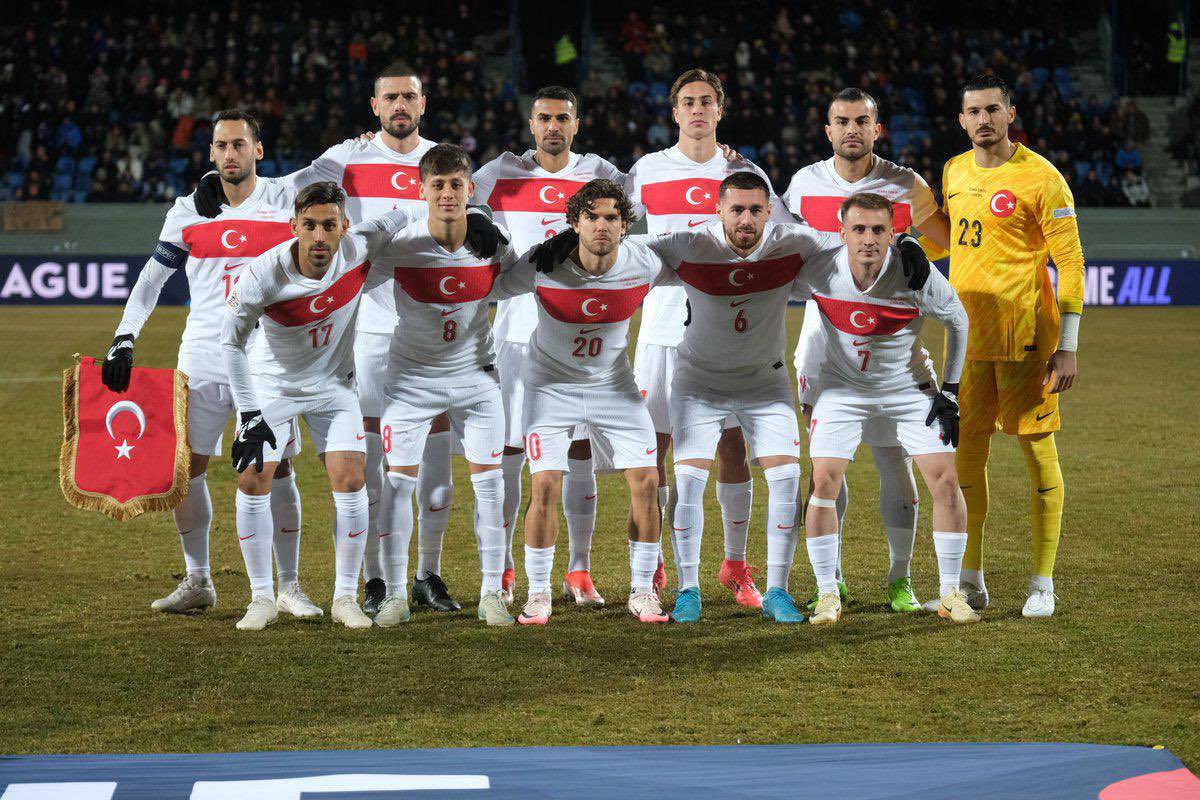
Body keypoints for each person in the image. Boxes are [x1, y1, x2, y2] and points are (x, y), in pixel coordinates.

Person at [194, 61, 458, 615]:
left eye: (410, 96)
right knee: (359, 469)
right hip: (359, 330)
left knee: (430, 455)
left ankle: (427, 571)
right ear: (375, 105)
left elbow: (447, 221)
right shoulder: (347, 157)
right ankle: (369, 584)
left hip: (427, 325)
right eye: (391, 97)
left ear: (424, 103)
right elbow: (288, 191)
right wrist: (218, 185)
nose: (401, 106)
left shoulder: (442, 163)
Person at [101, 110, 312, 620]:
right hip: (201, 355)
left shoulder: (287, 199)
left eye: (240, 144)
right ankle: (198, 580)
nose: (230, 154)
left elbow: (345, 170)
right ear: (211, 153)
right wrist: (124, 338)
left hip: (266, 358)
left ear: (258, 150)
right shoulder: (187, 211)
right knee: (186, 469)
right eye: (221, 146)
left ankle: (289, 585)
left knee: (274, 466)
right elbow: (152, 280)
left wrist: (367, 137)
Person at [624, 69, 792, 608]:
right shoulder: (647, 171)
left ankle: (735, 565)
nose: (698, 110)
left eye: (707, 102)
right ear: (674, 112)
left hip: (730, 332)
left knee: (732, 445)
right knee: (655, 450)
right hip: (662, 327)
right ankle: (650, 570)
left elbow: (778, 239)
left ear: (721, 110)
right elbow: (618, 238)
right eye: (688, 102)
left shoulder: (746, 174)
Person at [220, 183, 423, 630]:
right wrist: (250, 412)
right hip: (272, 387)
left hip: (333, 387)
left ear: (344, 227)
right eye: (308, 225)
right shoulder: (262, 273)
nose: (318, 236)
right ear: (293, 226)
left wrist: (479, 214)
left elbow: (410, 208)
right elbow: (231, 345)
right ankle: (262, 598)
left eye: (329, 225)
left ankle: (345, 598)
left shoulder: (360, 247)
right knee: (254, 481)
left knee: (352, 482)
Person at [780, 87, 953, 614]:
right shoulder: (804, 184)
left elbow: (945, 238)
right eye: (841, 120)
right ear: (826, 129)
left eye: (862, 120)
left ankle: (900, 580)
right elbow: (786, 247)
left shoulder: (906, 184)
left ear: (877, 128)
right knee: (826, 468)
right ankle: (831, 580)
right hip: (822, 342)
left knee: (893, 463)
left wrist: (912, 249)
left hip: (889, 344)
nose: (851, 129)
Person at [468, 86, 624, 606]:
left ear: (576, 124)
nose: (553, 126)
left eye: (562, 118)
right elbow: (457, 198)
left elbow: (643, 210)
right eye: (544, 118)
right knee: (510, 450)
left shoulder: (599, 173)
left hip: (579, 339)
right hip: (513, 336)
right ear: (531, 124)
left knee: (578, 449)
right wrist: (480, 222)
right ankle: (508, 567)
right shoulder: (502, 173)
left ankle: (579, 570)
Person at [791, 193, 978, 626]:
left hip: (907, 388)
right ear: (841, 233)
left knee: (947, 480)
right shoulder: (820, 269)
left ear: (893, 234)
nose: (868, 239)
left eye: (878, 230)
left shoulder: (915, 273)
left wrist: (949, 390)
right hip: (842, 388)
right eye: (858, 229)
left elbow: (958, 319)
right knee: (823, 480)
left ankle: (950, 593)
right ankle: (826, 594)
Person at [489, 179, 669, 624]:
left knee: (648, 483)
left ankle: (643, 591)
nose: (601, 225)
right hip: (550, 386)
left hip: (615, 386)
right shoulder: (544, 263)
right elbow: (490, 287)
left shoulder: (645, 261)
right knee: (545, 485)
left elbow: (701, 262)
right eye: (591, 217)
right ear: (575, 222)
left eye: (611, 217)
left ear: (626, 225)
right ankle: (538, 594)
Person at [944, 75, 1084, 617]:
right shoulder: (955, 170)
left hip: (1028, 340)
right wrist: (904, 237)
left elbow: (1069, 262)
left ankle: (1042, 583)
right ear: (962, 120)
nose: (982, 120)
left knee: (1038, 454)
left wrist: (1067, 345)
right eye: (973, 111)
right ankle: (971, 578)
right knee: (967, 457)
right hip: (969, 340)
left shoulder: (1042, 177)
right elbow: (955, 234)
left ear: (1010, 113)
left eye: (992, 110)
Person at [370, 144, 516, 628]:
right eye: (439, 184)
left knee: (489, 485)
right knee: (397, 485)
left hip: (476, 380)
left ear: (470, 189)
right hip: (411, 382)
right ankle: (394, 594)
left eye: (457, 184)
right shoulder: (401, 247)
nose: (448, 193)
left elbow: (533, 274)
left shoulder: (494, 244)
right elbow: (343, 270)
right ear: (422, 190)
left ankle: (492, 593)